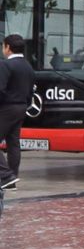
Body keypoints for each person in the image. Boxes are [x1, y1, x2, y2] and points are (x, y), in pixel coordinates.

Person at [0, 34, 35, 190]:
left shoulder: (5, 65)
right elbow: (30, 91)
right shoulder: (28, 66)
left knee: (12, 143)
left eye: (3, 46)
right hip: (22, 107)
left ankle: (6, 176)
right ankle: (11, 181)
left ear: (7, 47)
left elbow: (0, 89)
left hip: (7, 108)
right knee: (13, 144)